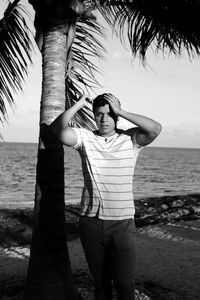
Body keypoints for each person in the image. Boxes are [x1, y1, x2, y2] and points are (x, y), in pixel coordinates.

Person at [50, 93, 162, 300]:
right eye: (99, 114)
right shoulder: (85, 138)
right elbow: (56, 130)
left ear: (117, 117)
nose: (104, 119)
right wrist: (77, 105)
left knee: (125, 285)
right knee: (101, 287)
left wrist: (120, 110)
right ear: (93, 115)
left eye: (109, 114)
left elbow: (155, 129)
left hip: (122, 225)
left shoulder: (131, 139)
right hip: (91, 225)